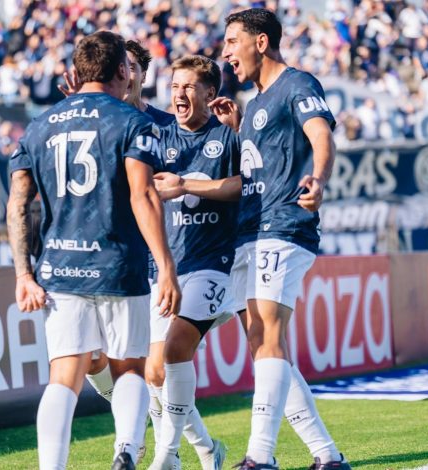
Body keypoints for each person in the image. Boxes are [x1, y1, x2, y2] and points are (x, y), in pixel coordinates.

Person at [155, 8, 350, 470]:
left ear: (260, 42)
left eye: (232, 41)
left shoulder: (297, 84)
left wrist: (319, 178)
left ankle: (260, 456)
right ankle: (327, 455)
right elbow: (261, 163)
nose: (225, 52)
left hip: (282, 225)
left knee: (267, 334)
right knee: (265, 344)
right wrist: (239, 129)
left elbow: (321, 134)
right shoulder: (256, 103)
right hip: (250, 233)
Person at [6, 31, 181, 470]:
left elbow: (18, 203)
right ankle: (126, 450)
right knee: (129, 367)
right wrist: (166, 267)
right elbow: (143, 195)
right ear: (123, 70)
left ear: (78, 71)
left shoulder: (40, 124)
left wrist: (23, 274)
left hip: (60, 267)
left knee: (63, 377)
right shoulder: (132, 121)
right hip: (118, 263)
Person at [146, 55, 237, 470]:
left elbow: (243, 186)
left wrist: (184, 185)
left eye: (188, 87)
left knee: (177, 346)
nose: (179, 94)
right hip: (168, 266)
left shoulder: (226, 136)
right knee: (155, 373)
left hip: (214, 262)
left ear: (209, 93)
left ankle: (166, 457)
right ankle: (207, 449)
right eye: (174, 86)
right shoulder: (159, 137)